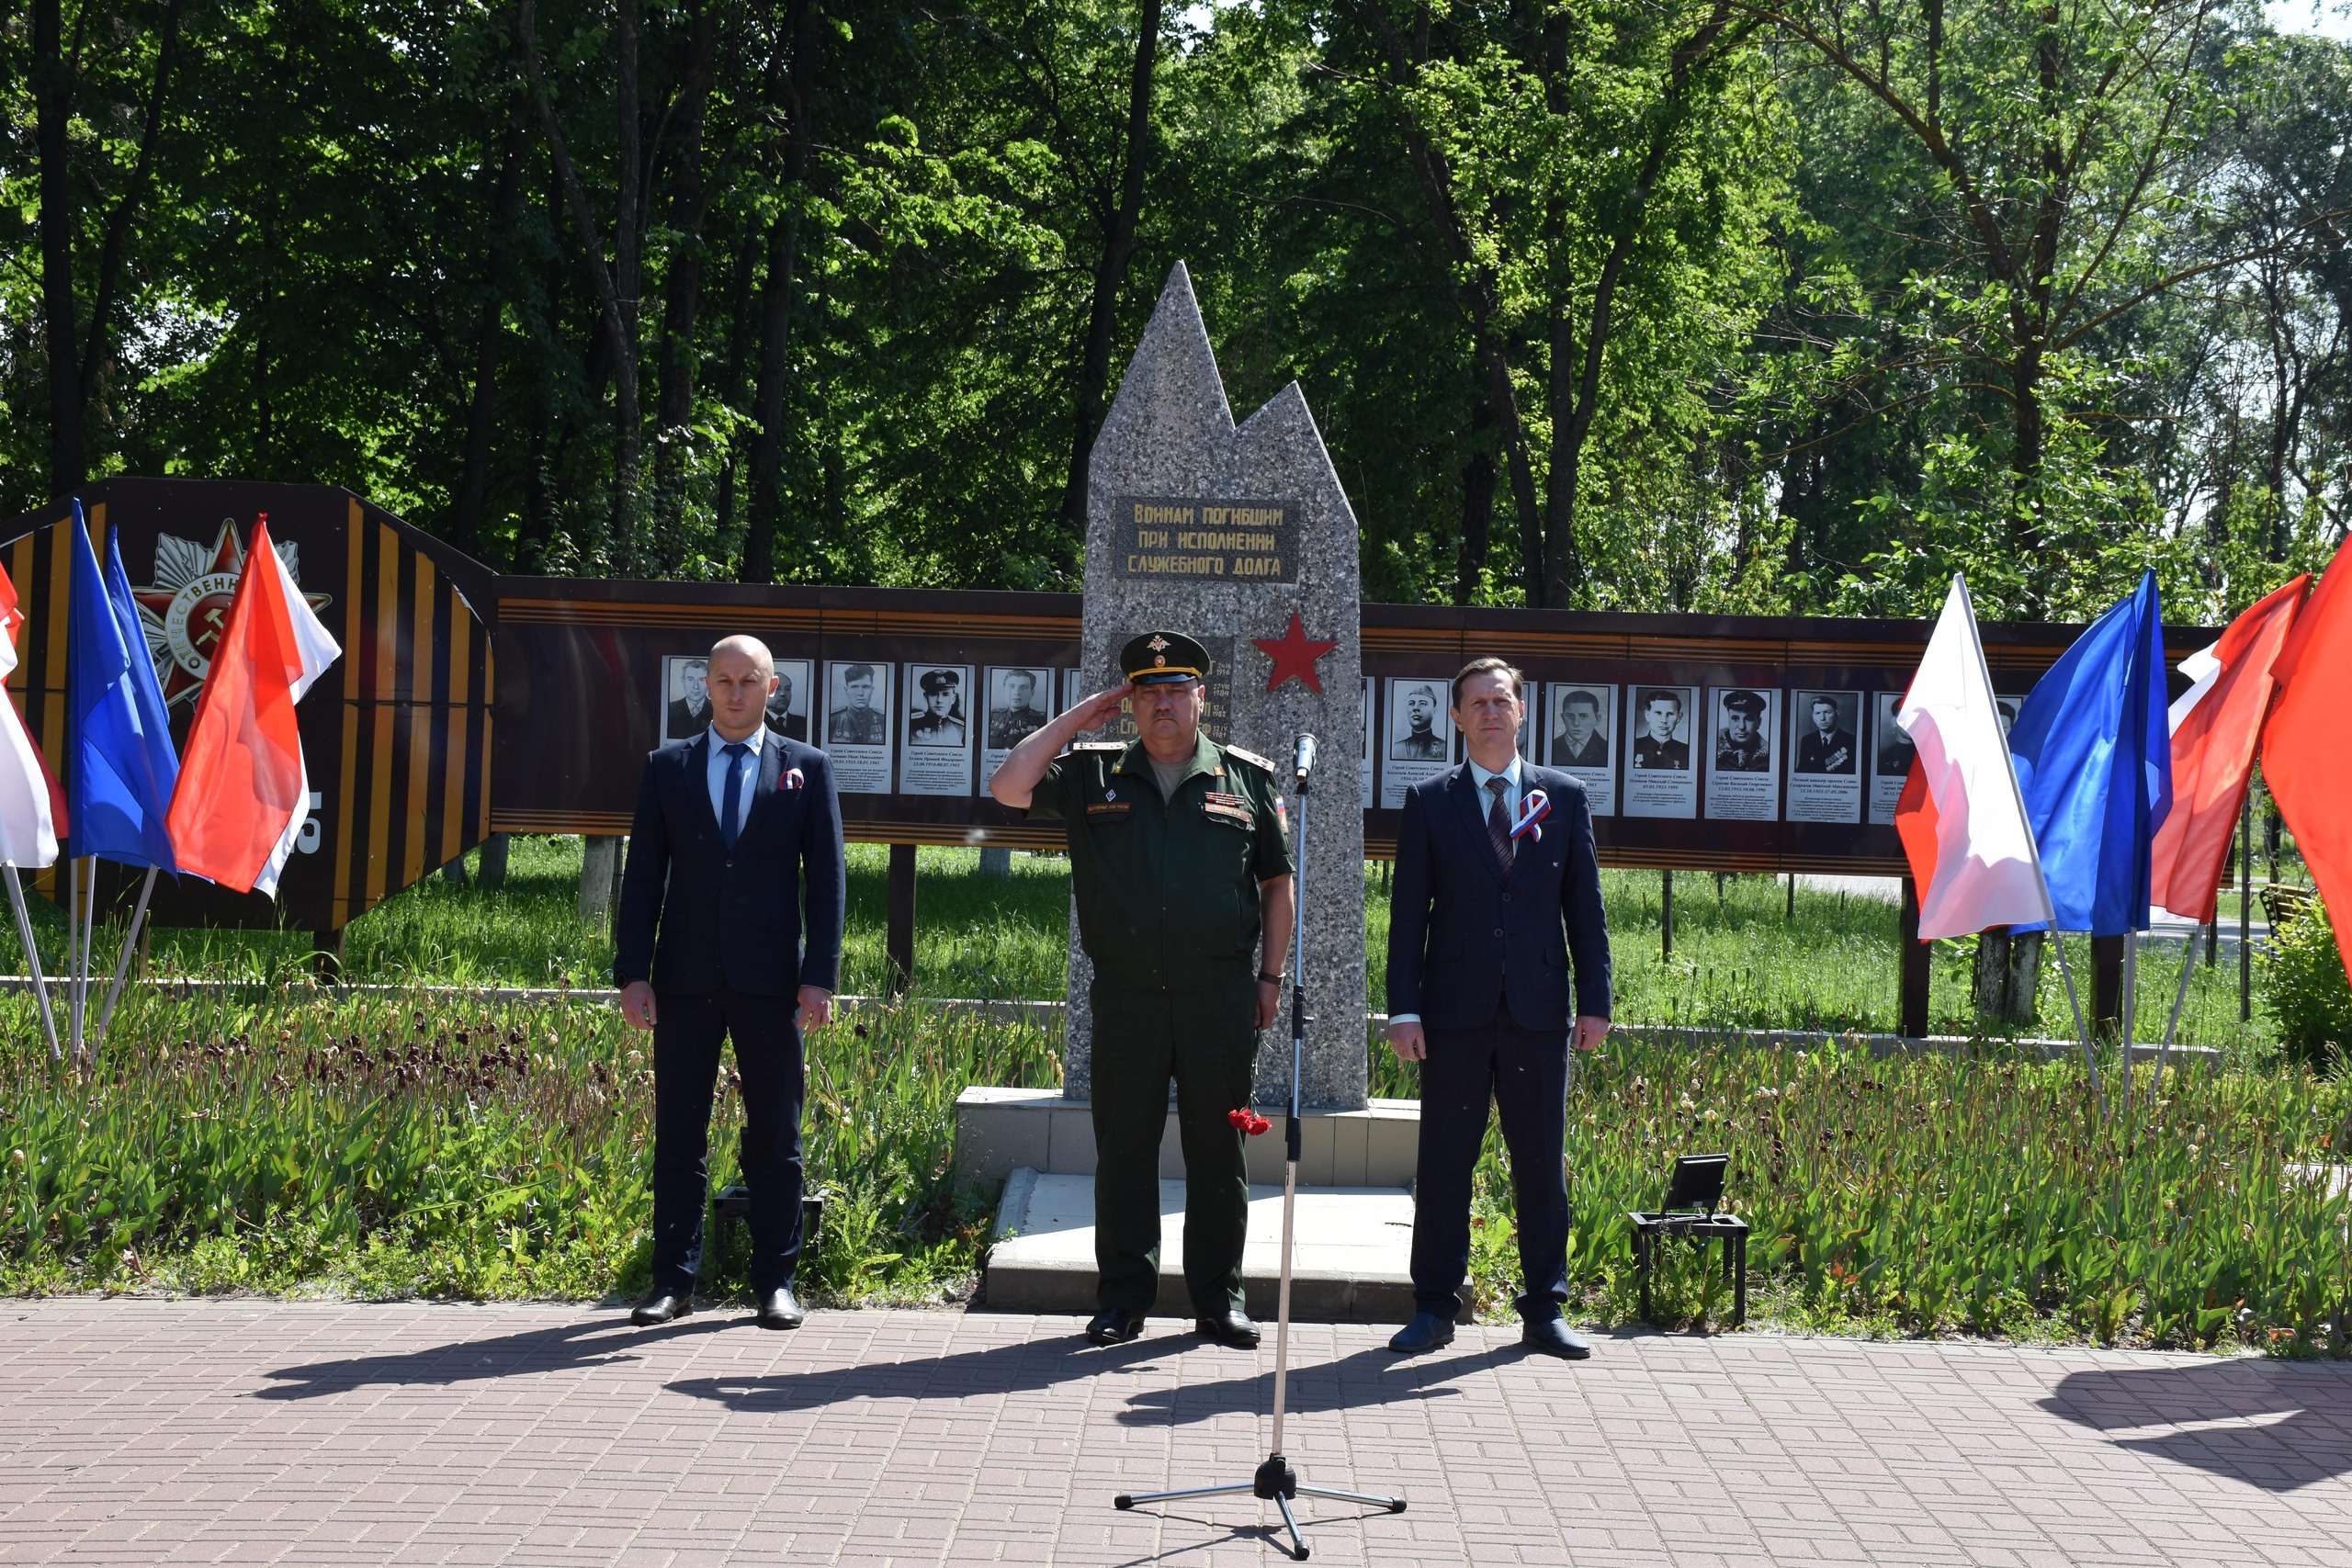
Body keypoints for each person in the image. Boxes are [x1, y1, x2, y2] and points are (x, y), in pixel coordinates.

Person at [989, 629, 1294, 1350]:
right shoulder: (1091, 773)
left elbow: (1277, 884)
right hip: (1126, 997)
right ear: (1130, 703)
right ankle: (1123, 1298)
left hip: (1218, 996)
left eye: (1176, 689)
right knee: (1123, 1147)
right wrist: (1076, 719)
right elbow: (1008, 786)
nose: (1163, 703)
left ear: (1200, 697)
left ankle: (1220, 1300)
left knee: (1218, 1152)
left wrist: (1272, 977)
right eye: (1148, 691)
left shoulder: (1246, 779)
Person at [615, 634, 845, 1331]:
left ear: (773, 689)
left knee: (775, 1134)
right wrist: (632, 973)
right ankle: (673, 1281)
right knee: (678, 1135)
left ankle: (776, 1281)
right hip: (683, 979)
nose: (736, 692)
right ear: (706, 685)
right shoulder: (667, 767)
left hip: (772, 983)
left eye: (750, 680)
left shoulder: (807, 768)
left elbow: (828, 881)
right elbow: (645, 877)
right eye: (724, 679)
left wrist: (819, 978)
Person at [1385, 658, 1611, 1359]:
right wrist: (1403, 1009)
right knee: (1446, 1159)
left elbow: (1587, 912)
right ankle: (1434, 1306)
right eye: (1475, 702)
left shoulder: (1564, 797)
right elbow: (1406, 917)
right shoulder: (1429, 800)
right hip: (1453, 1012)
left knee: (1541, 1162)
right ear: (1455, 717)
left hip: (1539, 1011)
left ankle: (1544, 1308)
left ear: (1522, 711)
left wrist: (1596, 1003)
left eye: (1501, 699)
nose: (1489, 711)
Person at [988, 669, 1050, 750]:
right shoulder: (993, 716)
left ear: (1032, 693)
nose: (1017, 692)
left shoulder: (1042, 721)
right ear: (1004, 690)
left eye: (1024, 687)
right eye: (1012, 687)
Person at [1793, 695, 1856, 774]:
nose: (1822, 718)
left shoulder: (1851, 740)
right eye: (1818, 713)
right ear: (1813, 718)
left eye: (1827, 712)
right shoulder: (1807, 740)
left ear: (1837, 714)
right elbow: (1801, 770)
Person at [830, 663, 888, 746]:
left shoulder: (883, 720)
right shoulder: (833, 720)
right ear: (846, 690)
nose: (860, 693)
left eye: (865, 687)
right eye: (854, 687)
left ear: (872, 690)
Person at [1551, 689, 1609, 769]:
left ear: (1597, 719)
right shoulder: (1552, 746)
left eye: (1583, 716)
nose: (1576, 723)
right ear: (1563, 718)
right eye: (1570, 716)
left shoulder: (1607, 749)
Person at [1631, 690, 1689, 771]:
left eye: (1670, 714)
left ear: (1679, 717)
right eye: (1658, 713)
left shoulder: (1687, 751)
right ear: (1648, 715)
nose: (1664, 720)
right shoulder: (1632, 747)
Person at [909, 669, 967, 747]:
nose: (939, 700)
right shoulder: (911, 725)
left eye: (945, 695)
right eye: (933, 694)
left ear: (953, 699)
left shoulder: (961, 729)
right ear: (926, 697)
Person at [1714, 690, 1770, 772]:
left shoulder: (1769, 758)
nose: (1741, 727)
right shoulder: (1712, 753)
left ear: (1759, 722)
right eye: (1735, 719)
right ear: (1729, 721)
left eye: (1749, 719)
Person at [1394, 683, 1447, 759]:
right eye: (1411, 703)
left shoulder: (1445, 748)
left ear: (1434, 711)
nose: (1415, 708)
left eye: (1422, 704)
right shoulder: (1395, 749)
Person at [664, 658, 709, 742]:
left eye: (701, 680)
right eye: (690, 679)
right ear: (683, 680)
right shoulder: (670, 709)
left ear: (709, 682)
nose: (696, 687)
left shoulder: (718, 711)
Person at [764, 668, 808, 742]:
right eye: (777, 689)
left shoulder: (803, 723)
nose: (783, 694)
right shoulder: (756, 723)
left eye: (787, 689)